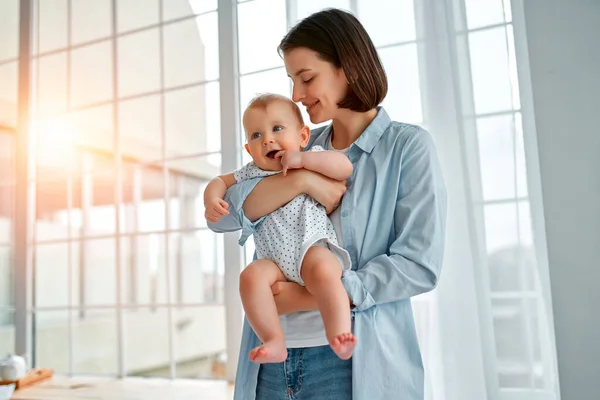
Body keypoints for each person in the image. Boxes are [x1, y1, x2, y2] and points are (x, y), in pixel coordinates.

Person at [208, 7, 447, 400]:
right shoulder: (296, 143)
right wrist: (300, 180)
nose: (296, 96)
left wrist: (310, 295)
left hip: (352, 362)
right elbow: (224, 217)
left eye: (306, 78)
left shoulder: (407, 148)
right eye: (292, 81)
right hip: (273, 358)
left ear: (347, 68)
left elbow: (418, 264)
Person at [203, 93, 357, 363]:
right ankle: (274, 340)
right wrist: (212, 199)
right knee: (250, 277)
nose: (267, 140)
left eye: (277, 129)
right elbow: (219, 180)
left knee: (324, 272)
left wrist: (303, 162)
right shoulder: (250, 172)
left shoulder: (312, 157)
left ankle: (339, 333)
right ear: (249, 151)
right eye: (256, 135)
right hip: (273, 261)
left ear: (303, 136)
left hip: (311, 247)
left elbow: (343, 167)